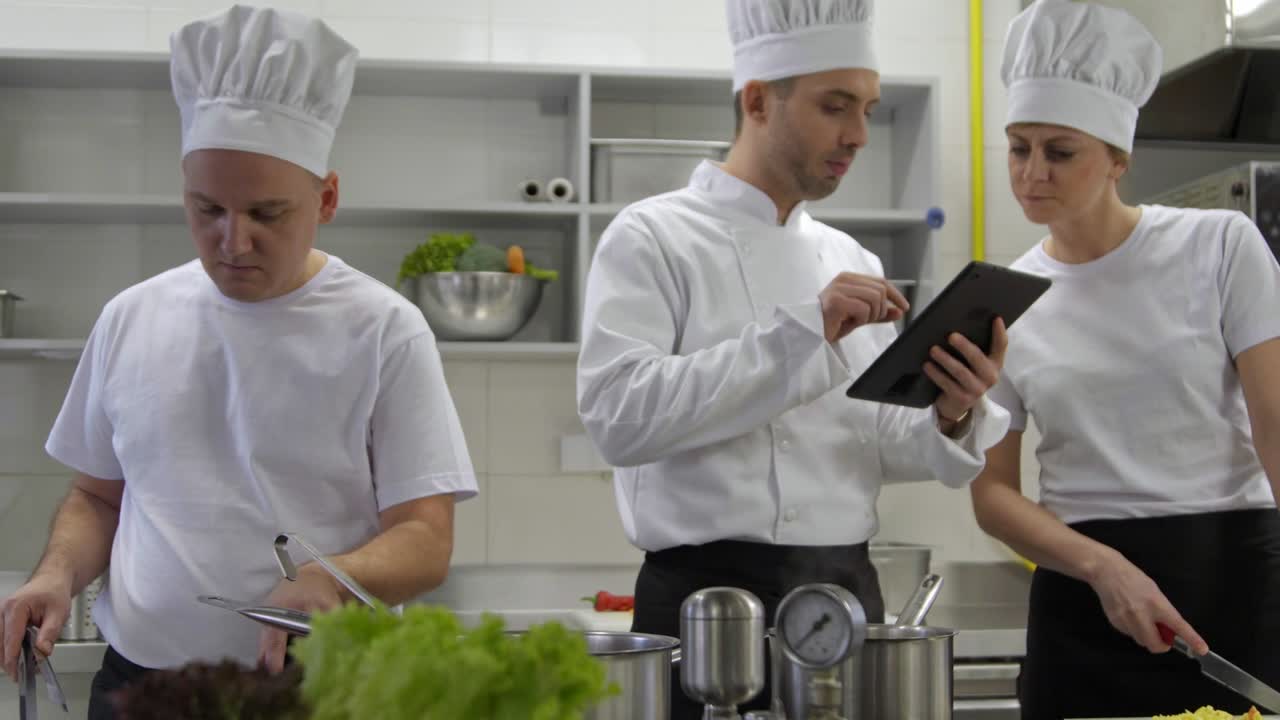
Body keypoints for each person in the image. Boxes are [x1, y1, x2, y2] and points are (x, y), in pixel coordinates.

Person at [0, 6, 478, 718]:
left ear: (327, 199)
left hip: (318, 688)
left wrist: (333, 577)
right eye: (207, 209)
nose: (232, 240)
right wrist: (57, 575)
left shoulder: (385, 331)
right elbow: (99, 496)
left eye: (267, 213)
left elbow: (426, 539)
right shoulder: (132, 317)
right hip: (137, 687)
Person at [576, 0, 1012, 716]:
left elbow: (875, 445)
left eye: (868, 109)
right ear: (757, 101)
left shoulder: (850, 258)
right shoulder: (650, 237)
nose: (859, 135)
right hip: (704, 604)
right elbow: (619, 419)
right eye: (835, 107)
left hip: (847, 596)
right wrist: (801, 333)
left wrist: (950, 409)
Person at [970, 1, 1280, 717]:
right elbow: (993, 493)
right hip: (1087, 597)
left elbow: (1273, 427)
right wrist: (1100, 566)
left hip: (1233, 577)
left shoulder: (1220, 247)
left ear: (1117, 158)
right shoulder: (1003, 297)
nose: (1032, 172)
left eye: (1060, 150)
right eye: (1019, 148)